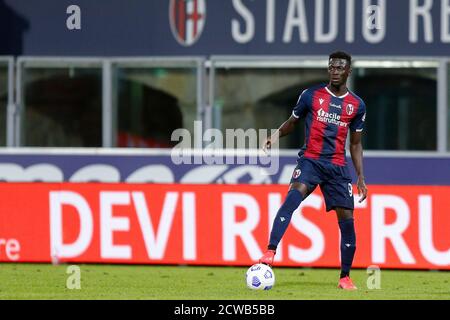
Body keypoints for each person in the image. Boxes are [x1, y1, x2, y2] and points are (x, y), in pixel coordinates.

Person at [259, 51, 368, 290]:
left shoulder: (357, 105)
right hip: (310, 161)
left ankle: (345, 277)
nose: (335, 71)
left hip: (338, 167)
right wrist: (275, 135)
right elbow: (293, 121)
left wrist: (360, 176)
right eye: (332, 67)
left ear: (348, 71)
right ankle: (270, 252)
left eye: (340, 68)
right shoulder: (311, 96)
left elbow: (356, 143)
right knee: (291, 200)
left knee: (348, 221)